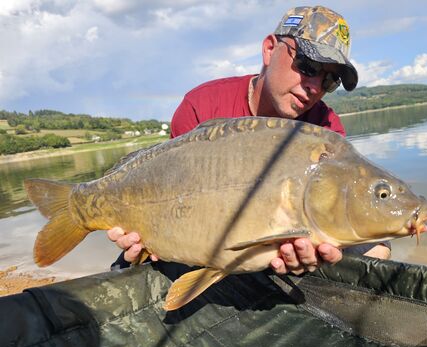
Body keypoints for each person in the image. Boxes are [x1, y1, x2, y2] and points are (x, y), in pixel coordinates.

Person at [108, 5, 391, 275]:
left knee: (377, 247)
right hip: (201, 233)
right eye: (307, 65)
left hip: (274, 247)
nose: (315, 87)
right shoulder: (202, 104)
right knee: (133, 263)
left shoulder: (325, 129)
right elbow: (171, 192)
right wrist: (145, 235)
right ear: (269, 49)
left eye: (330, 80)